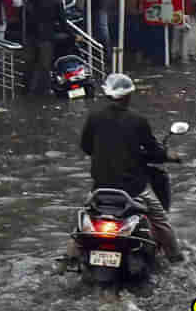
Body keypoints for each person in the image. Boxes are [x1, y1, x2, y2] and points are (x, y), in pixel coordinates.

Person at [77, 73, 184, 262]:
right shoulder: (138, 120)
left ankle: (67, 258)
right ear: (128, 96)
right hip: (133, 191)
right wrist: (170, 155)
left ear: (109, 95)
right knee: (161, 222)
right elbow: (153, 150)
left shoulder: (94, 117)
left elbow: (86, 147)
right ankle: (177, 260)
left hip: (100, 189)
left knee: (81, 222)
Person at [26, 0, 66, 95]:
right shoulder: (57, 1)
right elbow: (63, 22)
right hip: (46, 37)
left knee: (32, 63)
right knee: (45, 64)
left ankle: (28, 89)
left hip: (33, 35)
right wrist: (72, 35)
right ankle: (44, 89)